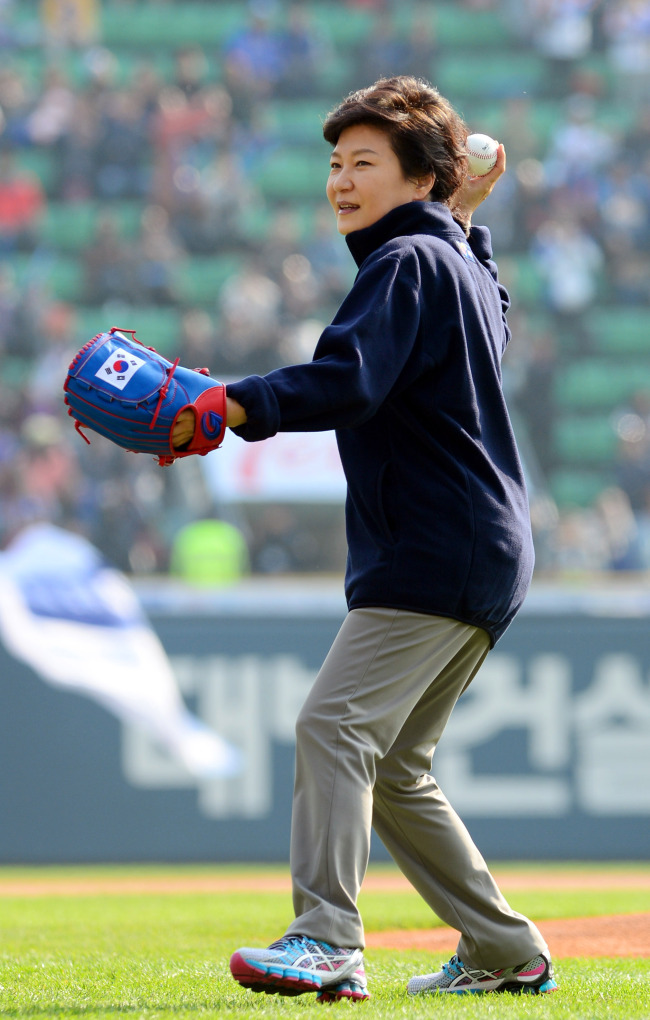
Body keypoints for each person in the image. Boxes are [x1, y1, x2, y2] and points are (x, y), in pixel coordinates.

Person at [173, 74, 557, 1001]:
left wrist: (234, 404)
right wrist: (464, 216)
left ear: (420, 174)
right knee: (396, 769)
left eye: (366, 163)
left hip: (434, 545)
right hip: (479, 547)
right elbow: (493, 316)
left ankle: (327, 938)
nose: (342, 181)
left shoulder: (405, 265)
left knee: (332, 726)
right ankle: (505, 949)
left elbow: (347, 380)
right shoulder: (451, 260)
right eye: (337, 164)